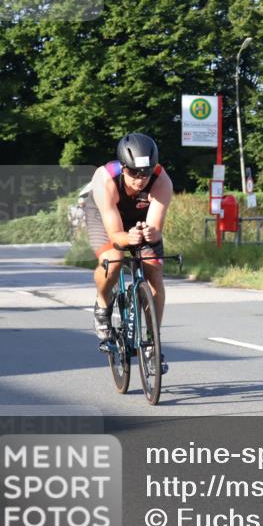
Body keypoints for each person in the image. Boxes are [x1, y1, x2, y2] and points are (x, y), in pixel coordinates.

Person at [86, 133, 173, 373]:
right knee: (113, 261)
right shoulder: (105, 179)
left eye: (146, 173)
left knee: (153, 270)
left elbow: (155, 229)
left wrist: (146, 233)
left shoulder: (161, 181)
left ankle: (152, 342)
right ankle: (103, 304)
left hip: (139, 218)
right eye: (134, 173)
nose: (140, 179)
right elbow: (115, 234)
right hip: (104, 216)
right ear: (123, 168)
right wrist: (127, 238)